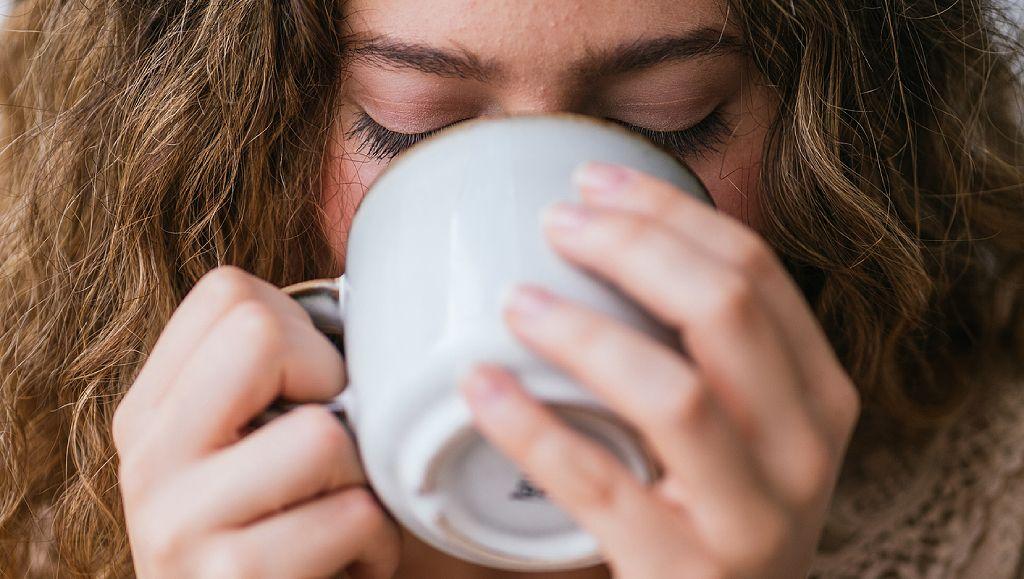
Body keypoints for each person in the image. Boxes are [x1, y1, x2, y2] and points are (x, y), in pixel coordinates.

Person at [1, 0, 1022, 577]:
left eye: (670, 120)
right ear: (248, 121)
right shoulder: (33, 479)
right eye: (405, 126)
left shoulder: (984, 497)